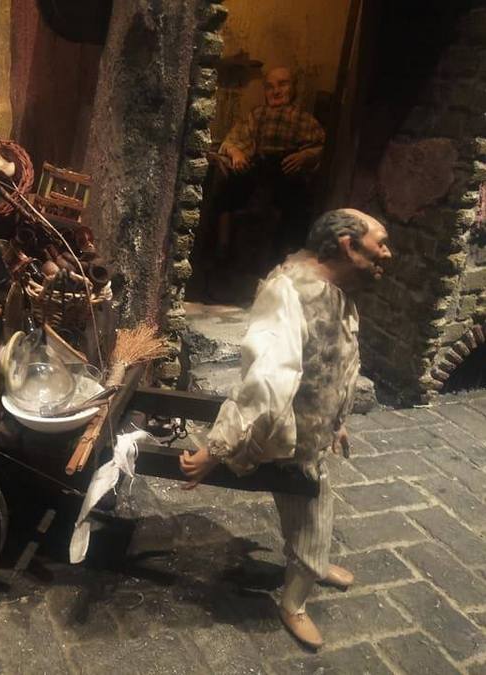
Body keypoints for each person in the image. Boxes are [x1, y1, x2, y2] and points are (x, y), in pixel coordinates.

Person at [180, 208, 392, 650]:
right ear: (348, 245)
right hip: (287, 439)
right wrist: (215, 450)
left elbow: (336, 362)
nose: (387, 253)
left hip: (312, 434)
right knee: (313, 516)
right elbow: (266, 381)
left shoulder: (336, 292)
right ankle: (295, 598)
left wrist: (336, 421)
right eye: (380, 243)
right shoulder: (288, 292)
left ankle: (313, 561)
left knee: (310, 505)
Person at [213, 67, 326, 274]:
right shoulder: (256, 115)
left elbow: (322, 148)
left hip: (287, 171)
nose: (276, 91)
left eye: (282, 84)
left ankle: (285, 259)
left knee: (297, 203)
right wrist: (236, 152)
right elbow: (232, 141)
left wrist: (306, 156)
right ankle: (223, 249)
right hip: (259, 168)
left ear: (293, 88)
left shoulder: (304, 120)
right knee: (227, 191)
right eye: (270, 86)